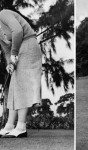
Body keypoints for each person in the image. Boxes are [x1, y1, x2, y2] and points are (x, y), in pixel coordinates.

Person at [0, 9, 42, 138]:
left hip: (29, 44)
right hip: (18, 50)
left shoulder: (3, 14)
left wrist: (14, 54)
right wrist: (10, 63)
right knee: (14, 85)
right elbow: (6, 49)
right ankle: (9, 125)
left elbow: (18, 31)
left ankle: (21, 126)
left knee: (22, 85)